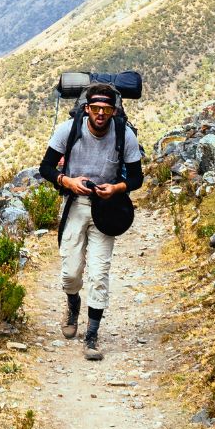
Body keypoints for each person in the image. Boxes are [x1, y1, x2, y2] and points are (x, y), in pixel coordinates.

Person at [38, 83, 144, 360]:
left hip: (106, 209)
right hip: (74, 205)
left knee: (99, 273)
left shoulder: (124, 135)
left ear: (113, 111)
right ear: (87, 109)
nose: (100, 114)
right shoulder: (69, 130)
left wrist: (117, 188)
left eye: (106, 109)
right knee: (71, 272)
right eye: (95, 109)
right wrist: (67, 181)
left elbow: (136, 177)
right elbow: (45, 167)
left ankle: (92, 335)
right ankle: (73, 302)